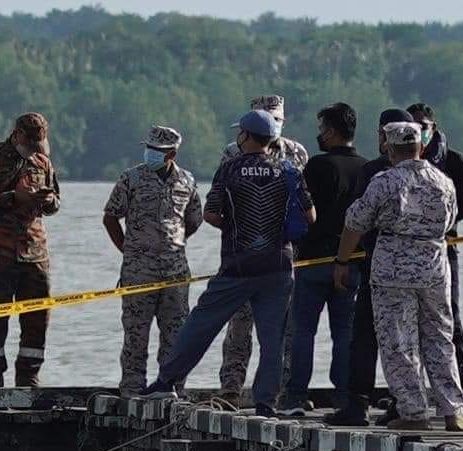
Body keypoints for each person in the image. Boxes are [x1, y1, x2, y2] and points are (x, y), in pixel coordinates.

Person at [141, 110, 315, 416]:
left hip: (238, 264)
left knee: (201, 324)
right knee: (272, 337)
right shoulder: (289, 170)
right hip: (278, 265)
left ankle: (166, 381)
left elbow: (211, 214)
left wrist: (240, 228)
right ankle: (265, 401)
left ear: (245, 136)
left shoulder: (230, 169)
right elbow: (310, 216)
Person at [334, 121, 463, 432]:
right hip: (434, 267)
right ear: (420, 146)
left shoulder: (384, 182)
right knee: (439, 338)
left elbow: (356, 222)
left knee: (398, 341)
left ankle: (413, 411)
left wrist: (342, 260)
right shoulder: (443, 181)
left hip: (393, 269)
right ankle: (453, 411)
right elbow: (451, 221)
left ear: (388, 147)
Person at [323, 108, 415, 427]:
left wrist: (342, 260)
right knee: (403, 338)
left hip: (379, 265)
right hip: (420, 272)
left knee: (367, 335)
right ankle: (402, 402)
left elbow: (358, 220)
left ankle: (361, 403)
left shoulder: (376, 173)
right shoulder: (430, 173)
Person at [217, 95, 309, 407]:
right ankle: (231, 387)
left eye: (278, 118)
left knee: (282, 326)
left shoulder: (297, 154)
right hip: (243, 253)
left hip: (283, 255)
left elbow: (304, 205)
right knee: (239, 324)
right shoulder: (233, 153)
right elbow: (221, 204)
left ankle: (280, 390)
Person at [278, 103, 366, 416]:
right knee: (345, 333)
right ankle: (343, 395)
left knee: (303, 331)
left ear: (330, 131)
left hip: (313, 262)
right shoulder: (367, 169)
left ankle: (296, 396)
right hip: (352, 262)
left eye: (321, 129)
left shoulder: (316, 167)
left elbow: (301, 210)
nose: (319, 135)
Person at [102, 126, 202, 396]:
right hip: (138, 272)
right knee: (136, 332)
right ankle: (132, 387)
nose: (150, 154)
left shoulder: (187, 181)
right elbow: (110, 216)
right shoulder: (131, 178)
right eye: (149, 148)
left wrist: (174, 242)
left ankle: (170, 386)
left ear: (172, 153)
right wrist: (128, 250)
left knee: (176, 333)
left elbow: (194, 219)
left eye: (157, 151)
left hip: (175, 272)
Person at [0, 113, 60, 387]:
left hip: (35, 253)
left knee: (37, 318)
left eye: (37, 145)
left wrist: (48, 200)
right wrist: (10, 199)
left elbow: (56, 203)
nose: (33, 151)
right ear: (17, 135)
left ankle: (29, 377)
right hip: (0, 252)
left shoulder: (42, 161)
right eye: (29, 144)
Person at [408, 103, 463, 388]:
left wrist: (435, 224)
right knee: (407, 322)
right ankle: (411, 386)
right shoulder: (397, 158)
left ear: (433, 128)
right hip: (406, 253)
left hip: (444, 248)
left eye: (423, 127)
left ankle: (459, 383)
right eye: (413, 127)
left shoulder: (453, 161)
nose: (418, 132)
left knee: (450, 316)